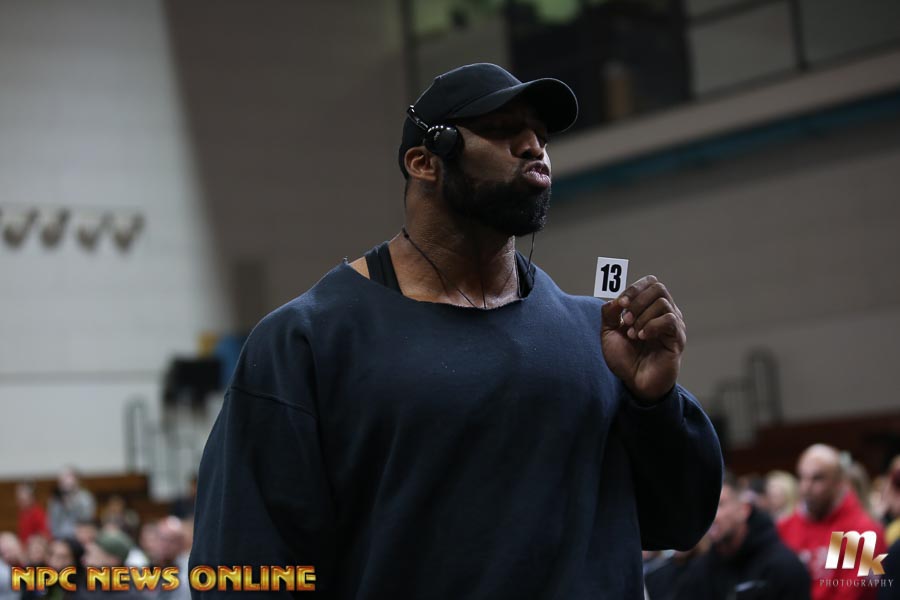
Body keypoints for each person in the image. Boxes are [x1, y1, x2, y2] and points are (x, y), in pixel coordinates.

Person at [190, 62, 724, 599]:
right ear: (425, 161)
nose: (533, 147)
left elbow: (679, 523)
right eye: (503, 130)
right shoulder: (309, 341)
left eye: (540, 135)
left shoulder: (599, 337)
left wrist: (654, 404)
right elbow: (242, 564)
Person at [778, 444, 887, 600]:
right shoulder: (785, 528)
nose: (806, 487)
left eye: (817, 478)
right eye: (802, 478)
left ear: (839, 482)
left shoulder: (861, 532)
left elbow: (853, 594)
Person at [677, 472, 810, 599]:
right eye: (706, 508)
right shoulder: (699, 571)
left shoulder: (782, 567)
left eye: (720, 505)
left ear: (744, 509)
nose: (711, 516)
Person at [48, 467, 96, 540]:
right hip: (60, 537)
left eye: (67, 477)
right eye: (62, 480)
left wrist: (72, 503)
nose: (65, 482)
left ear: (76, 480)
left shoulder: (85, 497)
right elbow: (52, 522)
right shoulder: (56, 500)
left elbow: (87, 517)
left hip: (80, 537)